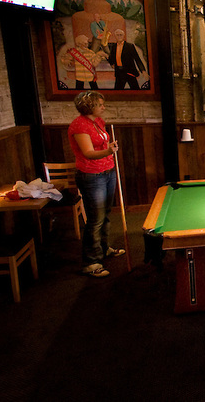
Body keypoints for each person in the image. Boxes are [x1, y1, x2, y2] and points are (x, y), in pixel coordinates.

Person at [68, 91, 125, 278]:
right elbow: (88, 153)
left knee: (105, 214)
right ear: (89, 106)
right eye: (100, 104)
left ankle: (103, 248)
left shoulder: (98, 121)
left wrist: (109, 148)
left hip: (107, 171)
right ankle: (91, 262)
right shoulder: (79, 125)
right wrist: (109, 150)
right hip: (91, 175)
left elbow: (101, 144)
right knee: (95, 219)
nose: (103, 107)